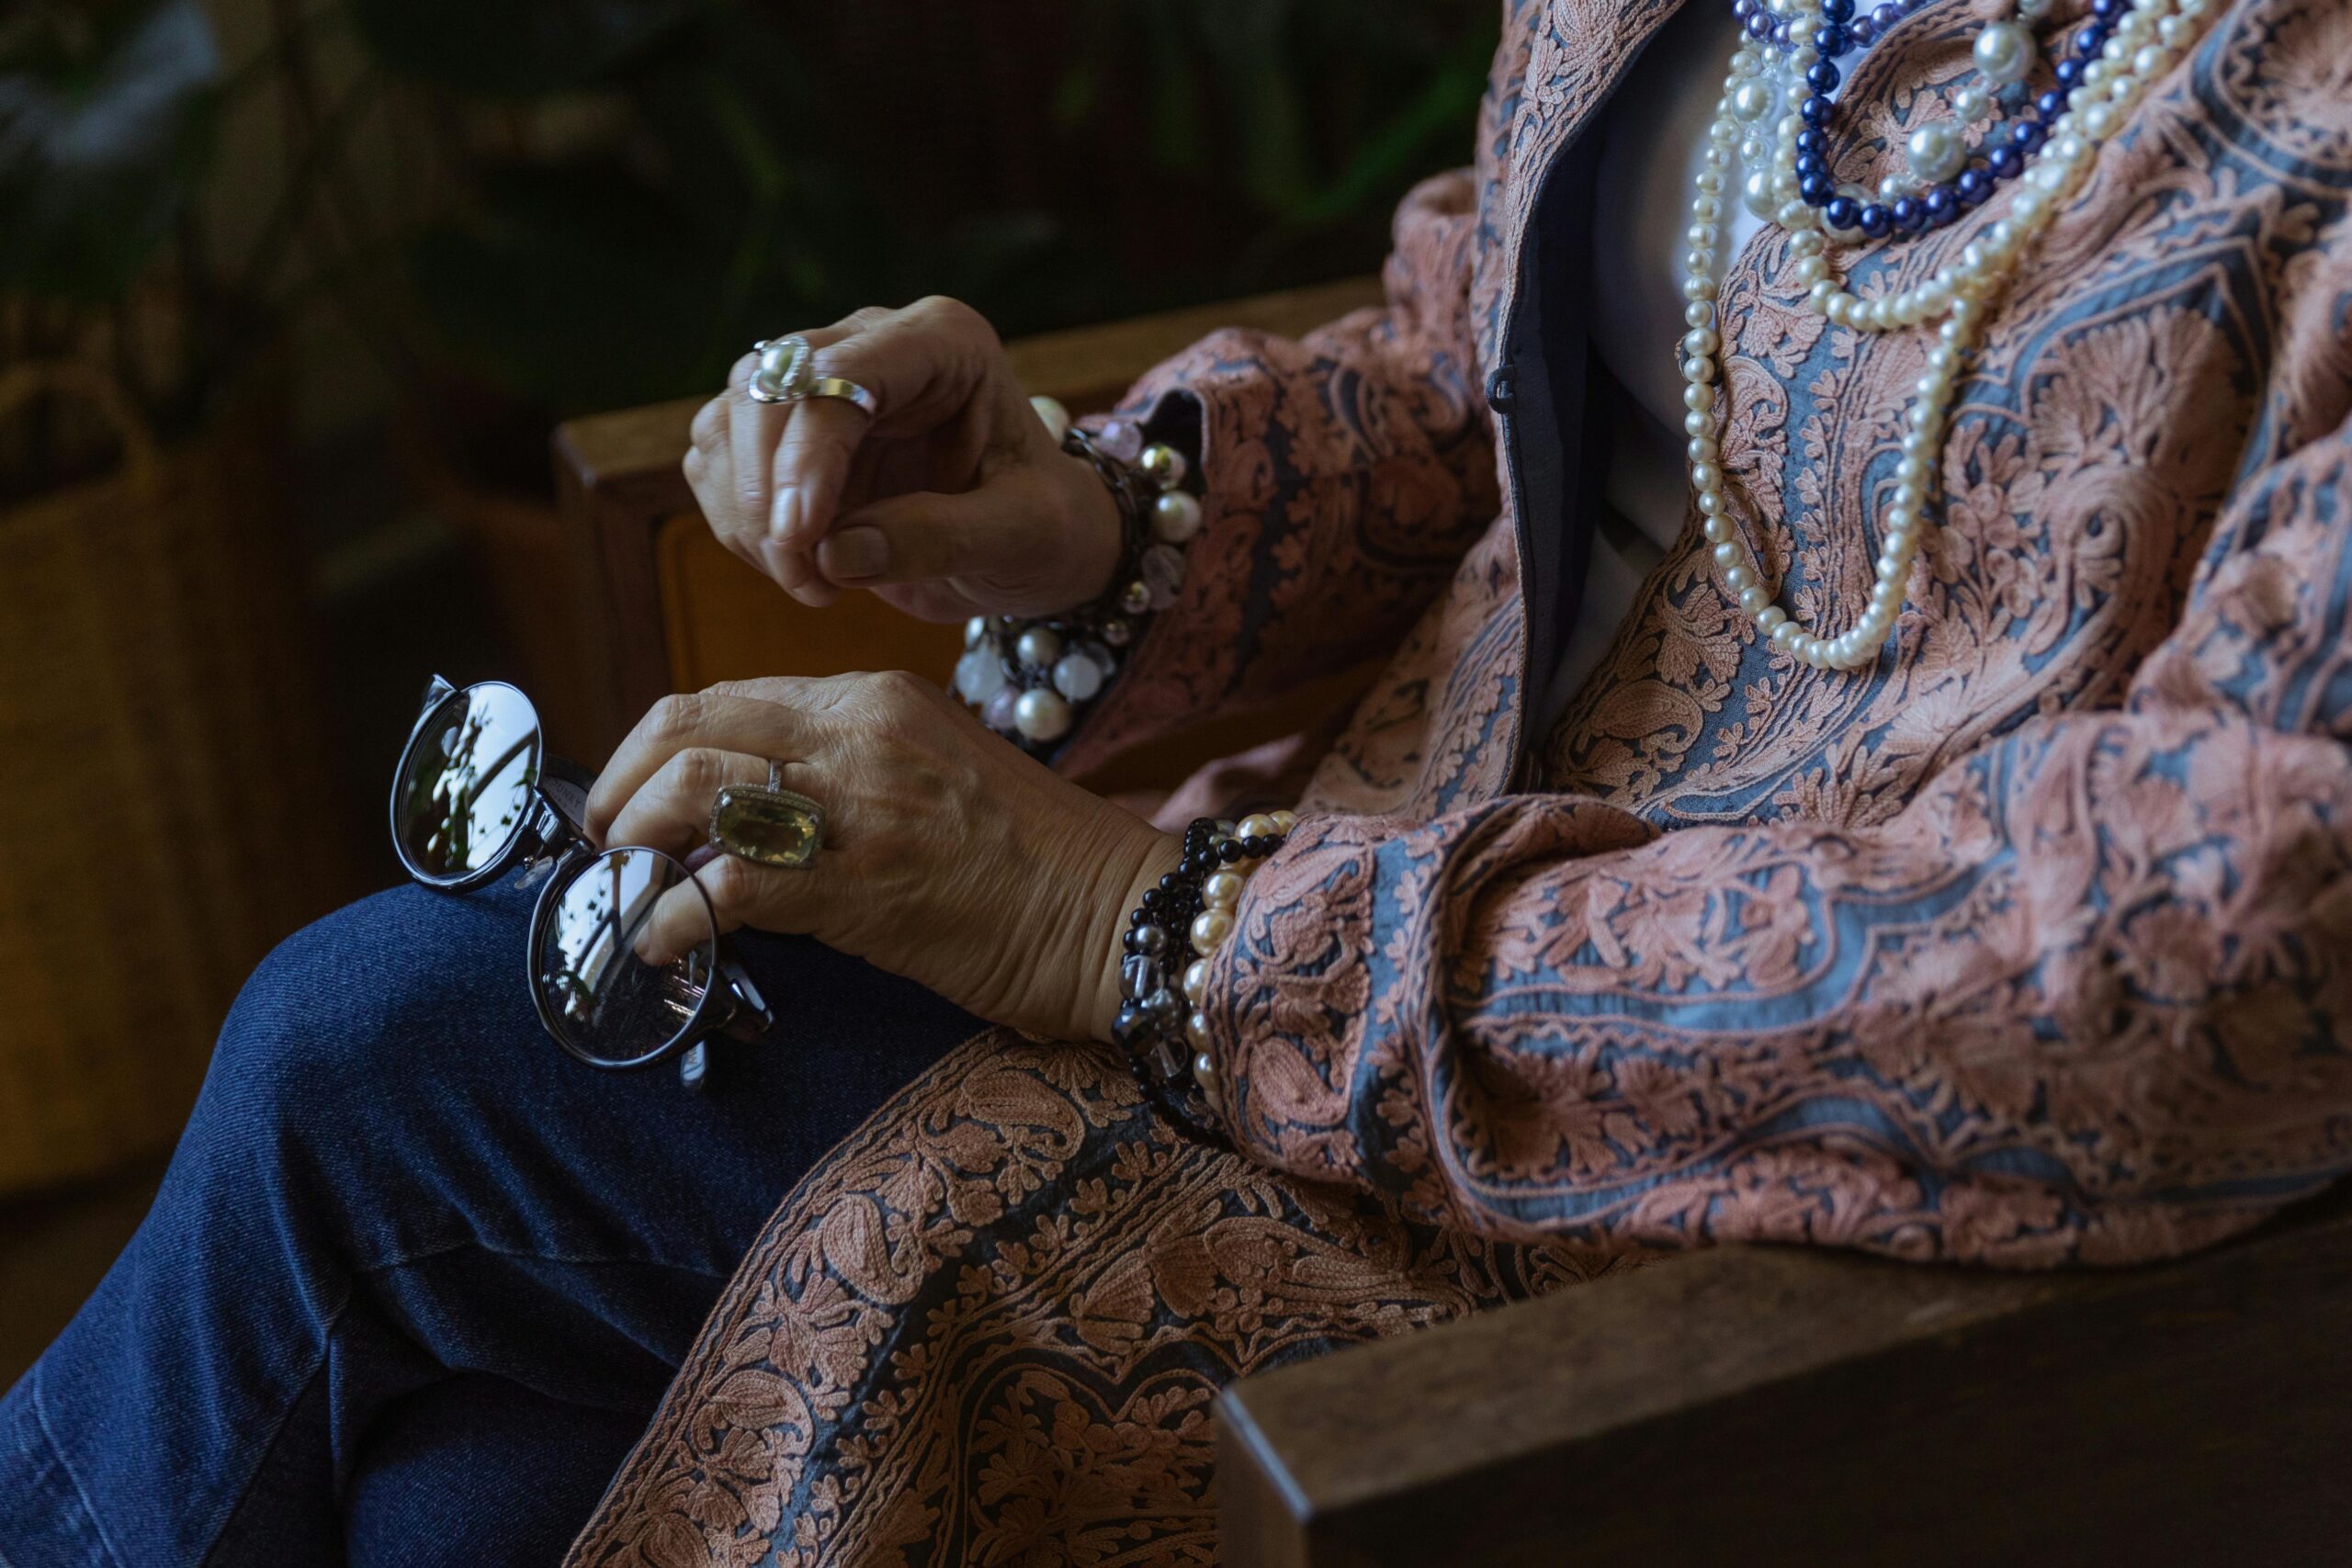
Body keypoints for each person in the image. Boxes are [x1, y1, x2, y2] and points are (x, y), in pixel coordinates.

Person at [8, 0, 2350, 1560]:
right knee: (456, 1496)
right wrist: (1100, 518)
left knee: (371, 1070)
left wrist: (1139, 928)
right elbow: (1492, 368)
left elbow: (2185, 966)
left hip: (1701, 1231)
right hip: (1302, 917)